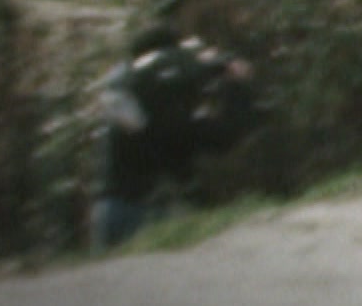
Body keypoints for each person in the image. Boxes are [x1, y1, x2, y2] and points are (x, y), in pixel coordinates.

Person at [91, 25, 256, 251]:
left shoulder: (125, 89)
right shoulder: (163, 98)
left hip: (113, 206)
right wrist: (233, 83)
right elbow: (222, 137)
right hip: (146, 208)